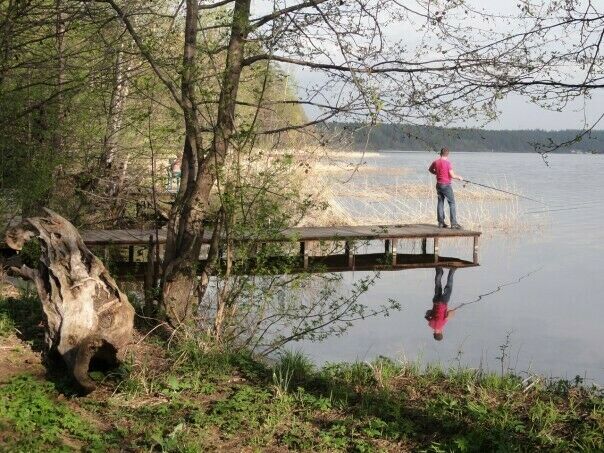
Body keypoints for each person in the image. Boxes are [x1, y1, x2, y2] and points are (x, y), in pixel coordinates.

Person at [428, 147, 463, 229]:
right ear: (448, 154)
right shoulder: (447, 163)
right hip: (446, 185)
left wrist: (436, 173)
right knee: (452, 203)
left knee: (440, 202)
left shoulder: (435, 162)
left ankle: (441, 223)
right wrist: (459, 177)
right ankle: (453, 223)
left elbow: (430, 170)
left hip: (439, 185)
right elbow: (452, 175)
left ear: (440, 153)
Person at [425, 267, 457, 341]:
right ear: (434, 333)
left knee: (449, 286)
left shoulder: (442, 325)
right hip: (435, 302)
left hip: (443, 302)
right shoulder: (430, 325)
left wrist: (453, 311)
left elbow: (448, 315)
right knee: (437, 285)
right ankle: (439, 270)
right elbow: (428, 313)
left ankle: (452, 270)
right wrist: (430, 315)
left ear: (441, 333)